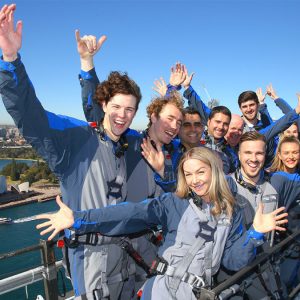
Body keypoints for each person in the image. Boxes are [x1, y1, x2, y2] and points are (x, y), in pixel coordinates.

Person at [0, 4, 143, 299]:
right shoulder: (75, 138)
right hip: (91, 265)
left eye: (130, 109)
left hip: (126, 263)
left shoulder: (129, 144)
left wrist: (87, 64)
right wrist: (11, 59)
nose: (122, 115)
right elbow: (30, 115)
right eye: (116, 106)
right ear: (105, 105)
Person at [36, 147, 288, 300]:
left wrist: (255, 233)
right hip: (161, 291)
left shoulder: (230, 212)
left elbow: (233, 261)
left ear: (214, 171)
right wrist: (78, 219)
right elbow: (129, 212)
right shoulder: (174, 203)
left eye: (200, 172)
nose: (194, 180)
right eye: (188, 174)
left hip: (197, 293)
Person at [218, 131, 300, 299]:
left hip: (270, 268)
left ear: (265, 155)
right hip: (236, 275)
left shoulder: (275, 182)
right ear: (239, 155)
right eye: (248, 152)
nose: (254, 159)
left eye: (259, 153)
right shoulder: (224, 186)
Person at [269, 137, 300, 297]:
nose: (291, 156)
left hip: (296, 237)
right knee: (286, 283)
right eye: (286, 153)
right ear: (279, 155)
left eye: (295, 152)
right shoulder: (278, 178)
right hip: (285, 241)